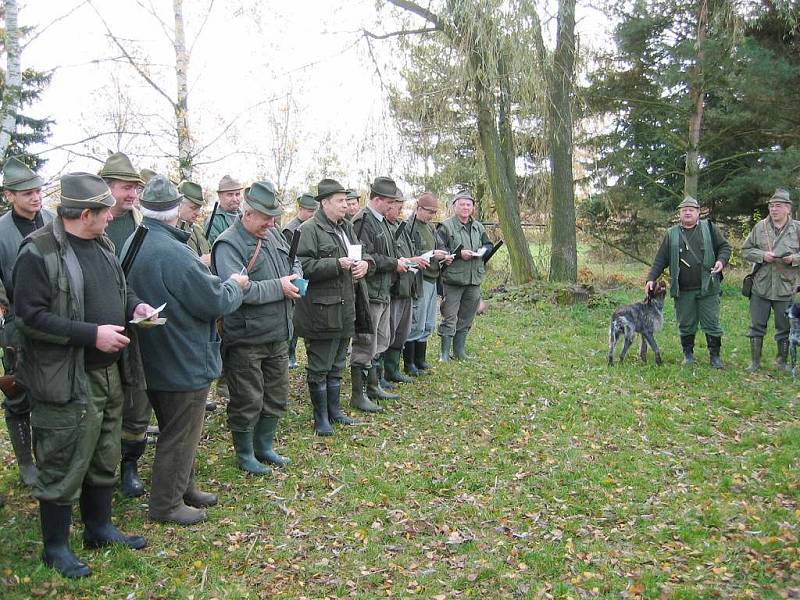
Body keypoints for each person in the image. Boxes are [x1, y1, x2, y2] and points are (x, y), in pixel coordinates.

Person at [13, 172, 156, 578]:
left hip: (109, 373)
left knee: (104, 453)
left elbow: (120, 289)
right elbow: (29, 318)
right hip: (66, 376)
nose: (113, 216)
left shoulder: (104, 244)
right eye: (105, 211)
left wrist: (137, 308)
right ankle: (55, 548)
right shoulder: (38, 252)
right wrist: (91, 335)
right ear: (86, 213)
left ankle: (99, 528)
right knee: (62, 458)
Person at [123, 175, 247, 525]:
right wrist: (235, 286)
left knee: (177, 428)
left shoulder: (136, 239)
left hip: (156, 353)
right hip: (182, 356)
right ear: (176, 208)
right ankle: (166, 505)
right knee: (180, 432)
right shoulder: (173, 252)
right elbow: (214, 301)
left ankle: (183, 487)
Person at [212, 181, 301, 474]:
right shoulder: (227, 243)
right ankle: (245, 453)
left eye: (273, 216)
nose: (272, 222)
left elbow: (294, 260)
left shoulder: (272, 233)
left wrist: (296, 275)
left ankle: (265, 447)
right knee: (247, 399)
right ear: (248, 214)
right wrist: (280, 287)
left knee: (276, 395)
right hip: (246, 338)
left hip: (278, 333)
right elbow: (238, 291)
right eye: (266, 217)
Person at [294, 178, 369, 434]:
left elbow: (359, 255)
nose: (346, 205)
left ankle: (334, 411)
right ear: (324, 203)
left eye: (347, 200)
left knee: (338, 363)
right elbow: (300, 266)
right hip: (320, 311)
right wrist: (337, 264)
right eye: (340, 201)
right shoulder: (309, 229)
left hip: (346, 307)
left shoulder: (347, 227)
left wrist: (363, 265)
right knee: (319, 365)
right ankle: (321, 418)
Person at [98, 152, 152, 497]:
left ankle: (129, 465)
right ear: (106, 188)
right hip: (96, 329)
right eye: (125, 187)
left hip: (135, 322)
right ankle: (99, 469)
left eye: (135, 188)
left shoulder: (140, 223)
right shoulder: (90, 224)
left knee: (137, 399)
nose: (131, 194)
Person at [0, 157, 52, 487]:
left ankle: (47, 454)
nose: (35, 197)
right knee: (18, 394)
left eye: (37, 191)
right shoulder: (1, 231)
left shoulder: (52, 220)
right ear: (9, 195)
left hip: (51, 319)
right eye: (27, 193)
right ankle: (25, 463)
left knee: (50, 391)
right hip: (16, 324)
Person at [646, 196, 731, 368]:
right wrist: (650, 279)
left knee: (712, 323)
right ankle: (688, 355)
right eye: (684, 210)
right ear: (680, 213)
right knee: (686, 324)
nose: (687, 212)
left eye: (691, 210)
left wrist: (721, 261)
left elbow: (725, 247)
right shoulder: (672, 234)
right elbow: (660, 260)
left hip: (708, 286)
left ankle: (715, 357)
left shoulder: (709, 228)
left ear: (698, 212)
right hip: (683, 289)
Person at [351, 176, 412, 409]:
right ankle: (359, 394)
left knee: (382, 340)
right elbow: (364, 257)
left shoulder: (383, 222)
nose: (393, 207)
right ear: (377, 200)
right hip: (369, 292)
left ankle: (374, 386)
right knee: (365, 343)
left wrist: (397, 262)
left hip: (384, 290)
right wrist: (393, 263)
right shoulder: (363, 221)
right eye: (389, 202)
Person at [741, 188, 800, 372]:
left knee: (784, 328)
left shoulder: (797, 229)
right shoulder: (760, 228)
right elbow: (746, 251)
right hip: (761, 285)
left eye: (778, 206)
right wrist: (762, 255)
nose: (774, 209)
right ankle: (755, 362)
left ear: (788, 208)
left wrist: (794, 259)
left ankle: (781, 362)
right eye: (772, 206)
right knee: (756, 325)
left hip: (786, 286)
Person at [436, 191, 492, 361]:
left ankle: (459, 351)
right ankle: (444, 354)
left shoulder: (478, 227)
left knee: (467, 317)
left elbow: (488, 244)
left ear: (473, 207)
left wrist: (484, 251)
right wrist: (460, 254)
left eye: (469, 204)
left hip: (474, 279)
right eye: (462, 204)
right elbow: (440, 250)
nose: (466, 207)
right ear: (455, 206)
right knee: (450, 317)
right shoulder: (445, 227)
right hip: (453, 279)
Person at [383, 195, 429, 384]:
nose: (400, 212)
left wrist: (414, 259)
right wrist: (411, 261)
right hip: (393, 288)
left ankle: (393, 370)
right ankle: (382, 373)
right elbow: (390, 257)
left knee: (402, 332)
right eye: (398, 208)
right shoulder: (383, 228)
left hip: (407, 285)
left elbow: (406, 253)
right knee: (389, 331)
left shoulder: (399, 227)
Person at [405, 192, 449, 374]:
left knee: (429, 322)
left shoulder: (430, 227)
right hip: (419, 279)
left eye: (434, 212)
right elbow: (410, 252)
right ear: (419, 208)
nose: (431, 215)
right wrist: (431, 253)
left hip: (432, 277)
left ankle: (420, 360)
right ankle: (409, 363)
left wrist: (444, 256)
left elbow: (440, 247)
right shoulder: (409, 226)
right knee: (417, 321)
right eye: (429, 211)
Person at [282, 193, 317, 369]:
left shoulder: (312, 227)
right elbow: (290, 257)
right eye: (309, 210)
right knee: (294, 318)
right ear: (301, 209)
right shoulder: (291, 229)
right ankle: (290, 353)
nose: (312, 214)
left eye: (314, 211)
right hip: (295, 277)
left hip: (310, 278)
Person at [177, 180, 212, 265]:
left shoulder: (198, 230)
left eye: (199, 208)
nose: (198, 213)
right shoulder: (173, 230)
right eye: (193, 208)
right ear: (178, 204)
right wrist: (200, 262)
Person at [205, 174, 243, 244]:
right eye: (230, 195)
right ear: (220, 196)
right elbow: (216, 250)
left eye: (237, 194)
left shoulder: (245, 216)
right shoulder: (214, 221)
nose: (235, 199)